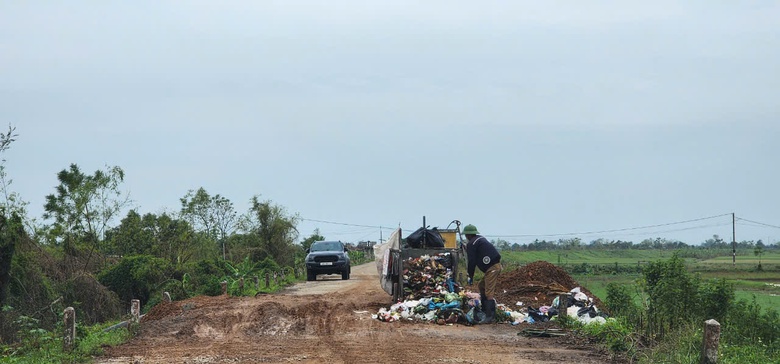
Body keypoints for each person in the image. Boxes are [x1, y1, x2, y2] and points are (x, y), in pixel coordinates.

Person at [463, 224, 502, 324]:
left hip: (492, 268)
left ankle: (490, 317)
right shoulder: (479, 239)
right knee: (482, 286)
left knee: (489, 291)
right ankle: (485, 311)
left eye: (466, 235)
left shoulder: (472, 243)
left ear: (468, 235)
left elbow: (471, 261)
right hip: (494, 265)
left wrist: (470, 276)